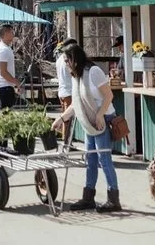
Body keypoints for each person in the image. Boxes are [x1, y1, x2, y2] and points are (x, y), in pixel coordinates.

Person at [52, 41, 121, 213]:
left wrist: (99, 115)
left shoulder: (93, 72)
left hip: (102, 118)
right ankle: (88, 197)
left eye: (67, 61)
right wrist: (61, 119)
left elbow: (108, 95)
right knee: (90, 160)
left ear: (74, 59)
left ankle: (114, 199)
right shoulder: (77, 76)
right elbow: (76, 103)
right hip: (89, 121)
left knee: (104, 159)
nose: (66, 65)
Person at [55, 38, 76, 142]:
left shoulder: (59, 59)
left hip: (62, 91)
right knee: (66, 119)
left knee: (64, 117)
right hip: (69, 92)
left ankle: (66, 140)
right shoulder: (68, 60)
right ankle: (66, 142)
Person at [0, 24, 20, 108]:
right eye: (11, 32)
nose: (13, 34)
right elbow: (3, 71)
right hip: (4, 87)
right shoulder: (3, 49)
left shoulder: (6, 48)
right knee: (7, 115)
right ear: (6, 33)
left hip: (7, 86)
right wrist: (16, 82)